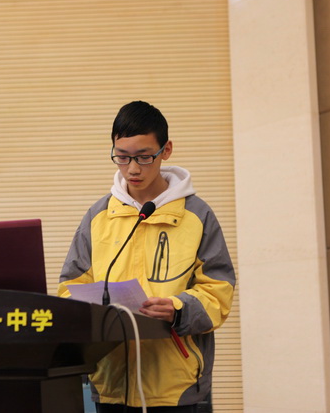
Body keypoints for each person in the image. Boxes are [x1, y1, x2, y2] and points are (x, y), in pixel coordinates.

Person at [58, 101, 235, 413]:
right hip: (111, 382)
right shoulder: (98, 216)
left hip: (175, 386)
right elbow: (70, 288)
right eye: (122, 157)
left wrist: (178, 308)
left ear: (166, 150)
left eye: (144, 156)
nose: (133, 169)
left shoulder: (197, 215)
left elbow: (218, 292)